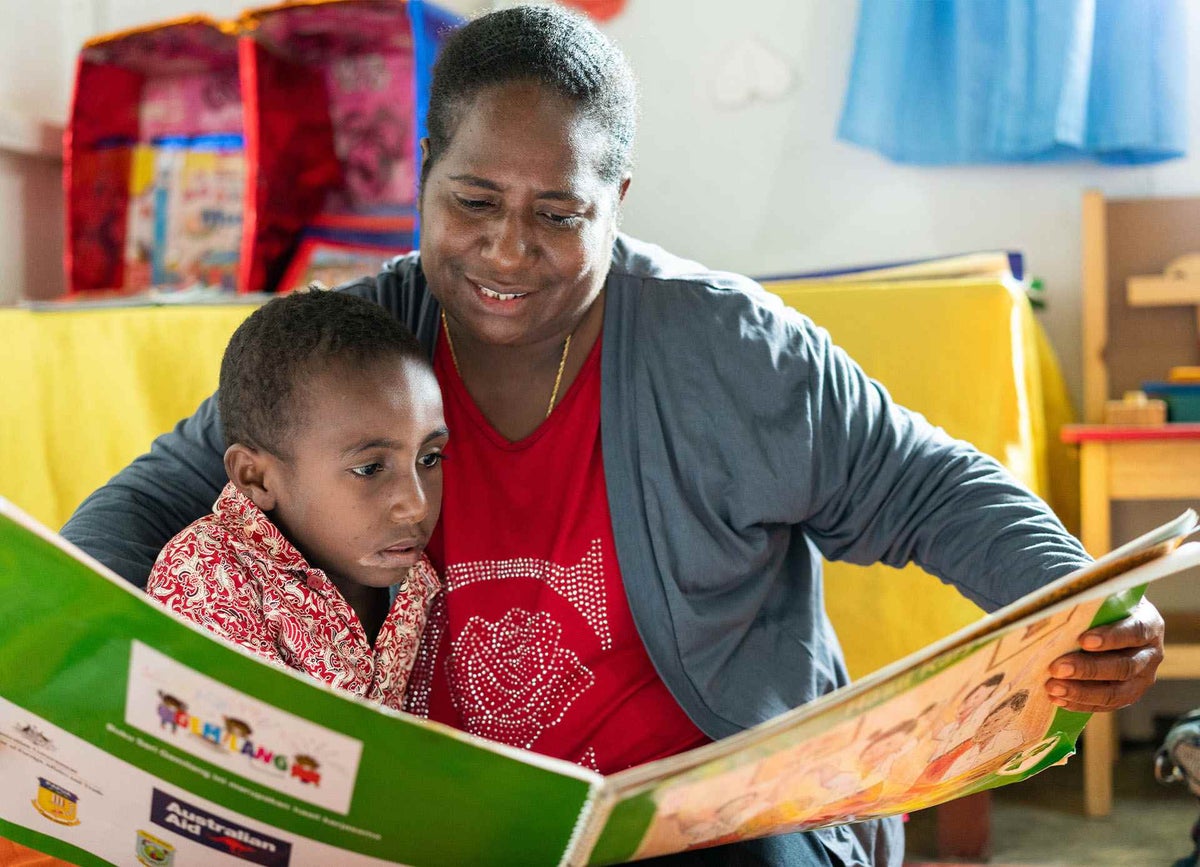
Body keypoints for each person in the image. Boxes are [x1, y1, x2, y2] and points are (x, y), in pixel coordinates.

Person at [62, 6, 1165, 865]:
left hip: (718, 821)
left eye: (558, 214)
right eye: (474, 201)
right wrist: (60, 645)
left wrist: (1080, 603)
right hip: (437, 828)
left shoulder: (731, 348)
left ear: (619, 199)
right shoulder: (352, 346)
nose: (506, 250)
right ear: (424, 172)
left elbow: (931, 488)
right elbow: (154, 500)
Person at [145, 290, 447, 711]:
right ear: (256, 477)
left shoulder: (418, 583)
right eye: (369, 468)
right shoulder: (209, 574)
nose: (416, 505)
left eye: (429, 458)